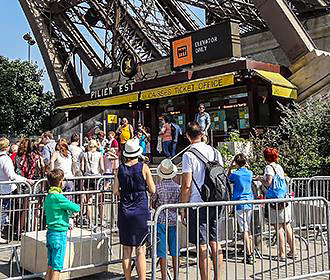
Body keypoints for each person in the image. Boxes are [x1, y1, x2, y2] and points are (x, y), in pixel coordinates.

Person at [180, 121, 224, 280]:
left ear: (187, 136)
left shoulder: (188, 155)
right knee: (216, 242)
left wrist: (183, 208)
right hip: (217, 201)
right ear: (202, 134)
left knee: (202, 245)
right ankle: (218, 277)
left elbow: (186, 185)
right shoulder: (215, 152)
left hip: (197, 203)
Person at [113, 139, 156, 280]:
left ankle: (127, 278)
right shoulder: (144, 167)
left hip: (125, 208)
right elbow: (152, 189)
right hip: (140, 208)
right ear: (137, 153)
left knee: (126, 250)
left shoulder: (120, 169)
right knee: (140, 249)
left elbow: (115, 191)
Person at [257, 147, 294, 261]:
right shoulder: (279, 167)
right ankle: (293, 251)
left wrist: (259, 179)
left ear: (265, 157)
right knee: (287, 225)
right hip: (284, 198)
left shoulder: (269, 167)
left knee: (278, 227)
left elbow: (269, 182)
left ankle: (281, 254)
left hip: (274, 200)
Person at [44, 169, 80, 280]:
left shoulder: (48, 196)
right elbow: (76, 207)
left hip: (50, 232)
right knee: (57, 267)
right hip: (59, 234)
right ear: (61, 181)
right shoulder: (59, 197)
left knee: (50, 265)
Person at [151, 159, 180, 280]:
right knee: (175, 250)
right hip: (173, 218)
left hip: (161, 218)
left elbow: (153, 203)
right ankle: (176, 276)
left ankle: (163, 276)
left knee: (162, 251)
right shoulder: (176, 187)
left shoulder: (158, 187)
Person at [0, 137, 33, 244]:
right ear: (6, 147)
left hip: (4, 188)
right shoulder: (6, 159)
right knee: (3, 213)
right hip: (5, 189)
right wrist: (25, 179)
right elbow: (11, 175)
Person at [228, 153, 254, 264]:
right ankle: (251, 250)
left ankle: (248, 254)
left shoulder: (236, 174)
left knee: (244, 229)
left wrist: (230, 167)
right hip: (250, 201)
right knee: (248, 228)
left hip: (239, 202)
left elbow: (227, 178)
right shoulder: (249, 173)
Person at [15, 138, 45, 234]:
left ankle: (20, 231)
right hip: (36, 184)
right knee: (36, 209)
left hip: (26, 184)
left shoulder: (21, 157)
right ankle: (33, 230)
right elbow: (42, 170)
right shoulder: (38, 157)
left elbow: (19, 171)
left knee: (25, 209)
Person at [81, 139, 104, 227]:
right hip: (97, 177)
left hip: (87, 177)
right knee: (99, 200)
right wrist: (101, 174)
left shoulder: (84, 154)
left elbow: (82, 168)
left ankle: (90, 222)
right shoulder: (99, 154)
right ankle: (101, 220)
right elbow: (102, 167)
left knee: (89, 200)